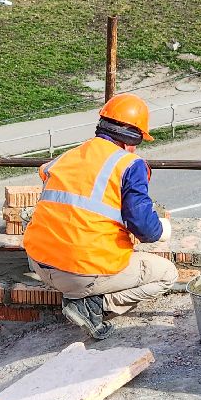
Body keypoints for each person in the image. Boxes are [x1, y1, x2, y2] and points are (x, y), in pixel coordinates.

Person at [23, 92, 178, 340]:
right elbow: (145, 229)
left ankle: (83, 294)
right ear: (133, 137)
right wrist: (163, 229)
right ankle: (93, 305)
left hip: (38, 263)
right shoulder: (129, 164)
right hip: (78, 273)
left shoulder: (68, 156)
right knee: (167, 274)